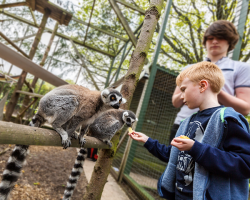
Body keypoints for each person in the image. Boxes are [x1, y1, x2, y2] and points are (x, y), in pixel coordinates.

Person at [128, 61, 250, 200]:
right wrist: (147, 141)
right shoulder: (187, 122)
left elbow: (245, 164)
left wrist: (197, 149)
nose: (181, 96)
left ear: (203, 86)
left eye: (184, 89)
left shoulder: (227, 120)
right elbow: (175, 156)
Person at [169, 20, 250, 143]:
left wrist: (214, 89)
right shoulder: (188, 68)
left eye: (220, 37)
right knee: (174, 162)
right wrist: (190, 90)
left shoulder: (241, 68)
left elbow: (245, 109)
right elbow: (175, 102)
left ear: (229, 41)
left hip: (214, 128)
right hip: (182, 125)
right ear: (205, 41)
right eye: (210, 38)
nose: (214, 41)